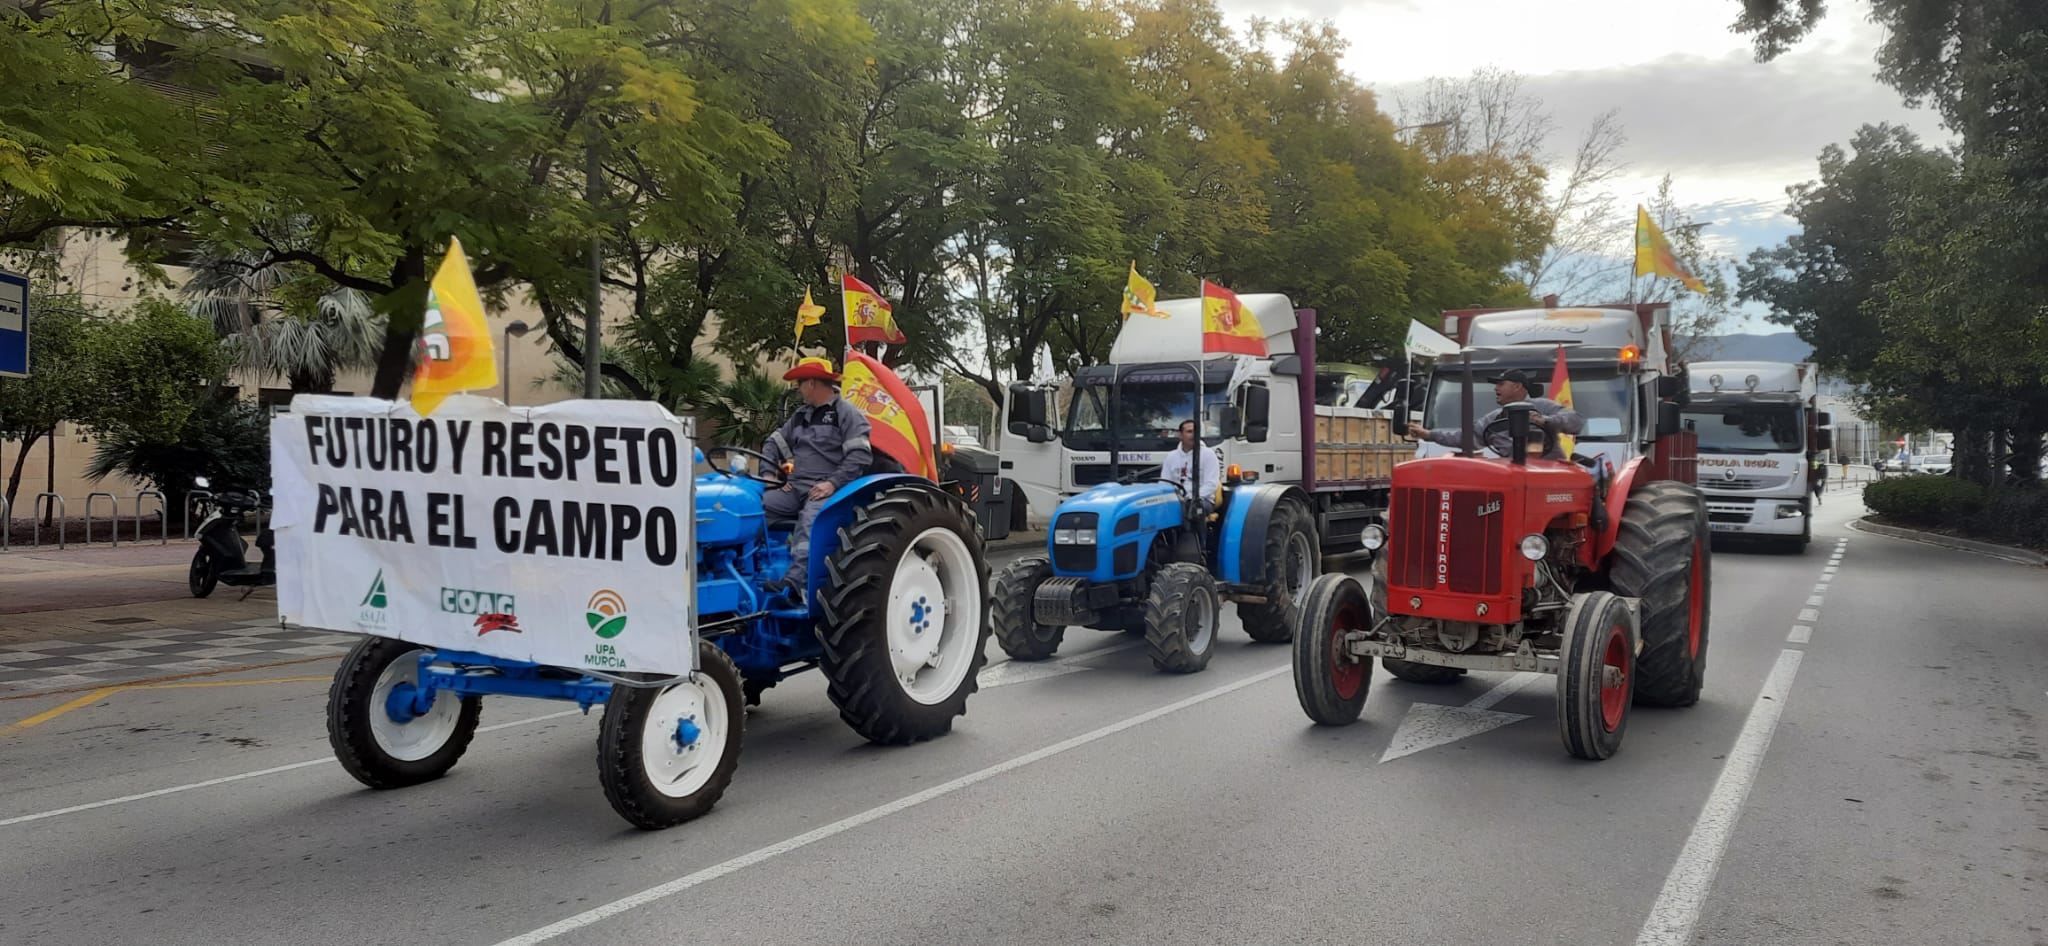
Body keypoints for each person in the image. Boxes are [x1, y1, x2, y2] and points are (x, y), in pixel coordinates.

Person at [760, 357, 873, 605]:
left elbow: (859, 456)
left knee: (810, 521)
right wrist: (768, 476)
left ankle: (794, 586)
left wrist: (832, 484)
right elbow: (772, 444)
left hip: (829, 490)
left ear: (811, 383)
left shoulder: (847, 413)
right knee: (755, 508)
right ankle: (750, 572)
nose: (798, 390)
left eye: (800, 384)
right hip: (796, 487)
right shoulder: (800, 416)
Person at [1406, 368, 1586, 461]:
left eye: (1501, 384)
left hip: (1548, 474)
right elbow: (1465, 438)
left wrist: (1546, 421)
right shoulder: (1493, 419)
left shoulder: (1543, 406)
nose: (1495, 388)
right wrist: (1428, 434)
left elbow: (1575, 421)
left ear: (1517, 386)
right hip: (1512, 476)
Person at [1159, 419, 1223, 514]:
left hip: (1202, 501)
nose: (1193, 435)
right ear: (1180, 435)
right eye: (1189, 432)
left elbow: (1211, 484)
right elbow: (1164, 483)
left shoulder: (1208, 454)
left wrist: (1192, 498)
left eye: (1196, 432)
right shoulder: (1171, 456)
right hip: (1176, 500)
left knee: (1188, 508)